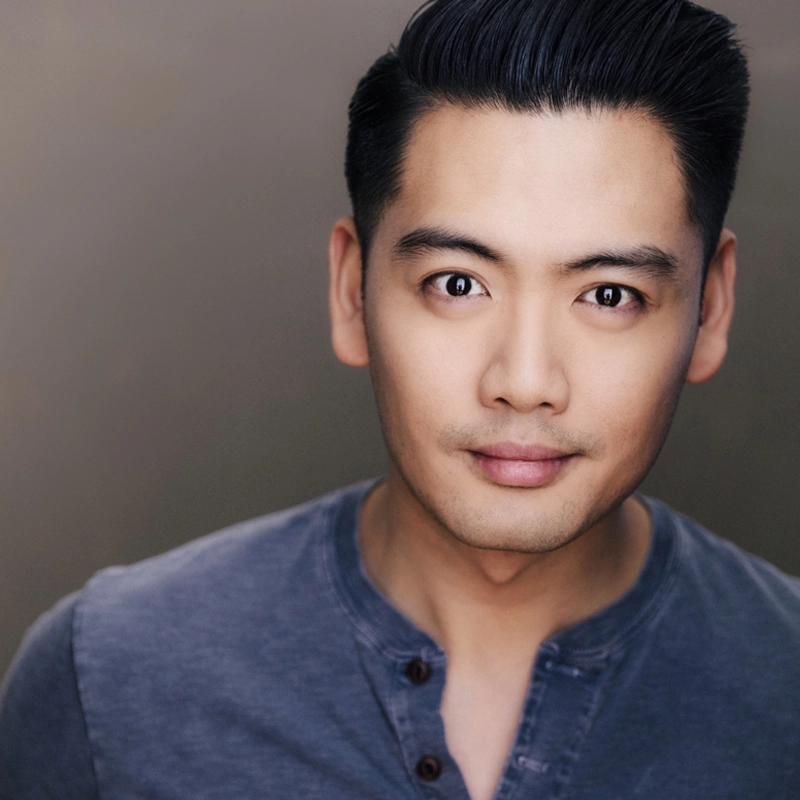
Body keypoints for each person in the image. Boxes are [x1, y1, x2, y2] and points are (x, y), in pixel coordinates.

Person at [2, 0, 798, 797]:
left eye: (610, 295)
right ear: (352, 291)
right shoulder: (107, 677)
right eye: (458, 284)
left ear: (710, 307)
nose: (524, 381)